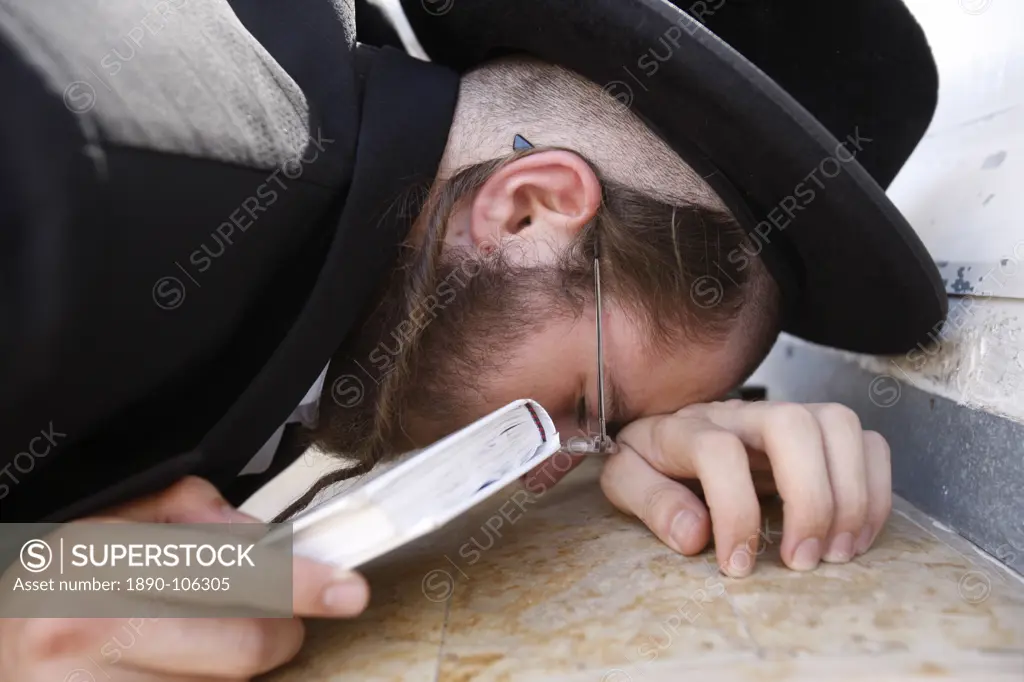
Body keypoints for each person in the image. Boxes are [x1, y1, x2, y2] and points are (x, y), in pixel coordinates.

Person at [0, 0, 947, 678]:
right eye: (586, 404)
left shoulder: (329, 182)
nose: (546, 470)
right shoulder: (103, 169)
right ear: (529, 210)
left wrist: (637, 440)